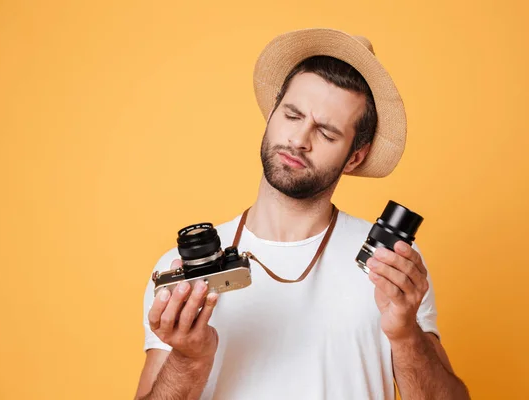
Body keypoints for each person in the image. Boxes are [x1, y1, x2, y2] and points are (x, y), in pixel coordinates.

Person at [134, 28, 470, 400]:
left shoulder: (392, 267)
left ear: (354, 157)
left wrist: (406, 335)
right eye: (292, 115)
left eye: (326, 133)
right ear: (273, 112)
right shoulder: (183, 267)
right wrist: (188, 359)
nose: (299, 140)